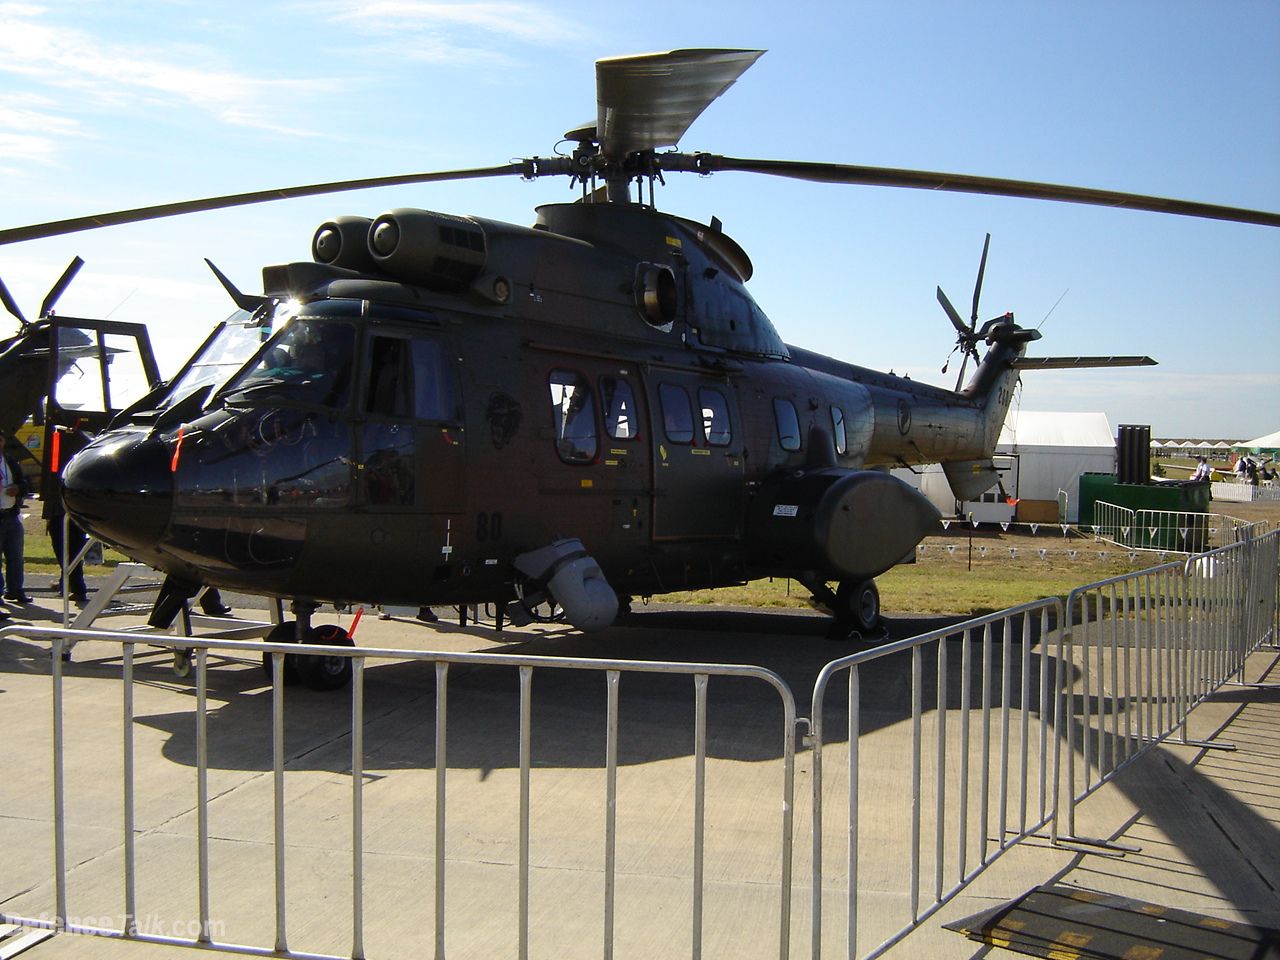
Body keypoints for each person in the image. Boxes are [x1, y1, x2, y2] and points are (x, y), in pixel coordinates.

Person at [0, 432, 32, 605]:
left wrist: (18, 488)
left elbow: (26, 484)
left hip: (11, 514)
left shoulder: (10, 462)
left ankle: (15, 590)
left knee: (15, 556)